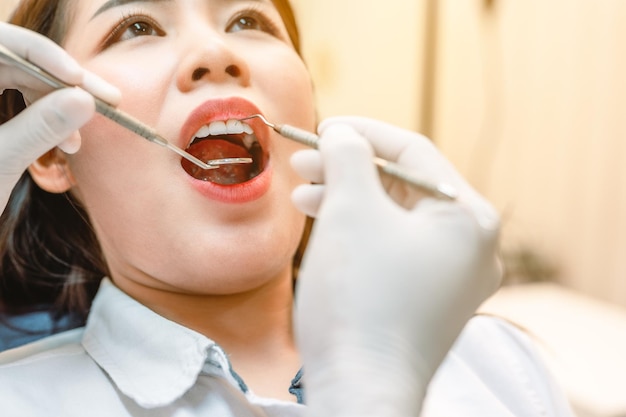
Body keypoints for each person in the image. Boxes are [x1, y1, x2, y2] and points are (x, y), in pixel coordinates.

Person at [0, 0, 574, 416]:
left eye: (247, 21)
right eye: (137, 26)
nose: (214, 51)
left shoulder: (502, 366)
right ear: (50, 149)